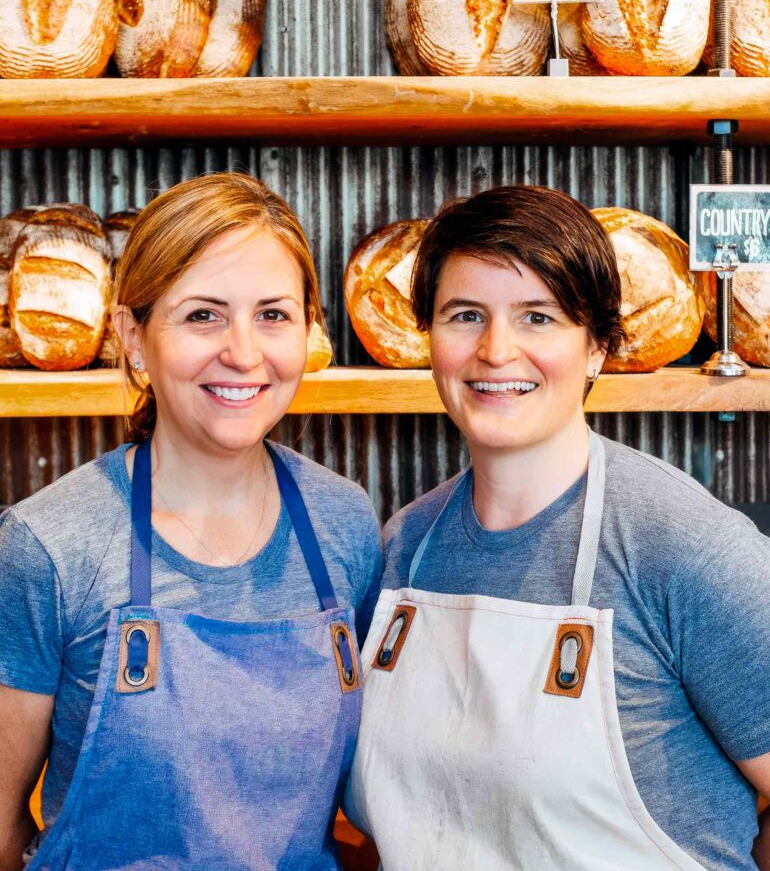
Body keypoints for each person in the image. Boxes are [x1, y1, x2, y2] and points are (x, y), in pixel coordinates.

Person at [345, 185, 770, 870]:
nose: (495, 349)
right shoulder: (406, 547)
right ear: (429, 337)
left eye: (538, 317)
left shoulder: (681, 545)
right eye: (464, 315)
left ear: (598, 347)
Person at [0, 172, 381, 870]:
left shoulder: (343, 522)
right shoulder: (52, 544)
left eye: (273, 314)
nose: (242, 352)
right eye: (203, 315)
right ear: (134, 338)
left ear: (308, 329)